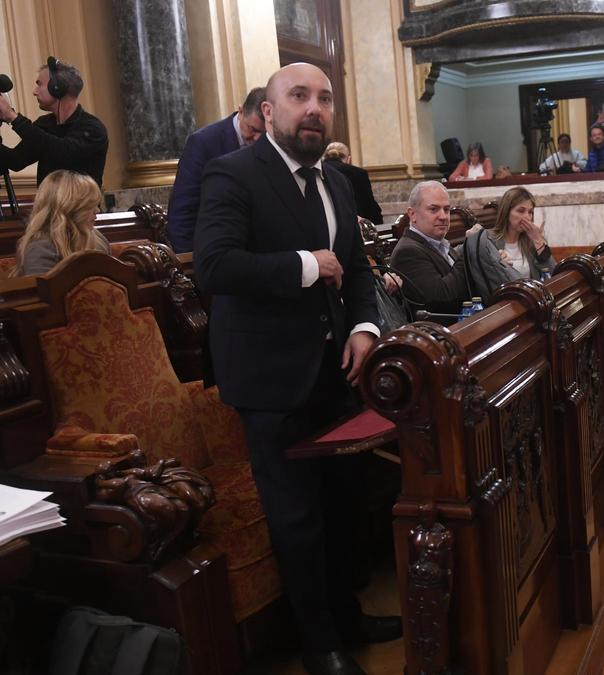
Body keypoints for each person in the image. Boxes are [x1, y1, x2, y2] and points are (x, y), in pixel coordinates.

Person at [193, 63, 397, 675]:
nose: (314, 108)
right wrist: (306, 266)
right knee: (296, 517)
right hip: (268, 378)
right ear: (267, 113)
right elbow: (216, 266)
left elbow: (356, 270)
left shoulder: (335, 181)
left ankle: (348, 615)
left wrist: (365, 328)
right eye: (299, 96)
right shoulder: (232, 174)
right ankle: (320, 647)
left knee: (343, 506)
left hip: (336, 371)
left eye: (325, 98)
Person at [0, 57, 108, 186]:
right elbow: (15, 160)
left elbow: (63, 151)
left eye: (40, 85)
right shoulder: (45, 124)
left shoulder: (92, 128)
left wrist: (12, 117)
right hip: (50, 214)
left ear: (57, 88)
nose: (34, 92)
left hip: (83, 215)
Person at [166, 87, 266, 252]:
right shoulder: (203, 143)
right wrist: (189, 261)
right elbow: (183, 209)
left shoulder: (272, 144)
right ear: (240, 111)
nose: (258, 139)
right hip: (212, 250)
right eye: (253, 129)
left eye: (264, 133)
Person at [388, 181, 471, 319]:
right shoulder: (408, 252)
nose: (443, 216)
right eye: (433, 209)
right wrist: (470, 251)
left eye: (447, 209)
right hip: (439, 334)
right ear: (412, 214)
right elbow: (442, 297)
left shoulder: (439, 243)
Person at [13, 169, 109, 276]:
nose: (97, 210)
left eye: (96, 204)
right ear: (69, 207)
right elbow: (45, 291)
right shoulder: (40, 248)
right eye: (90, 205)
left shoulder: (98, 240)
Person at [482, 187, 555, 281]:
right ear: (506, 212)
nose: (527, 217)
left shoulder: (532, 241)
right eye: (521, 211)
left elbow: (553, 276)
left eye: (530, 212)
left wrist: (538, 242)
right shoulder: (487, 239)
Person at [323, 141, 383, 225]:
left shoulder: (316, 172)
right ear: (349, 159)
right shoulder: (358, 173)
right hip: (354, 227)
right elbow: (370, 207)